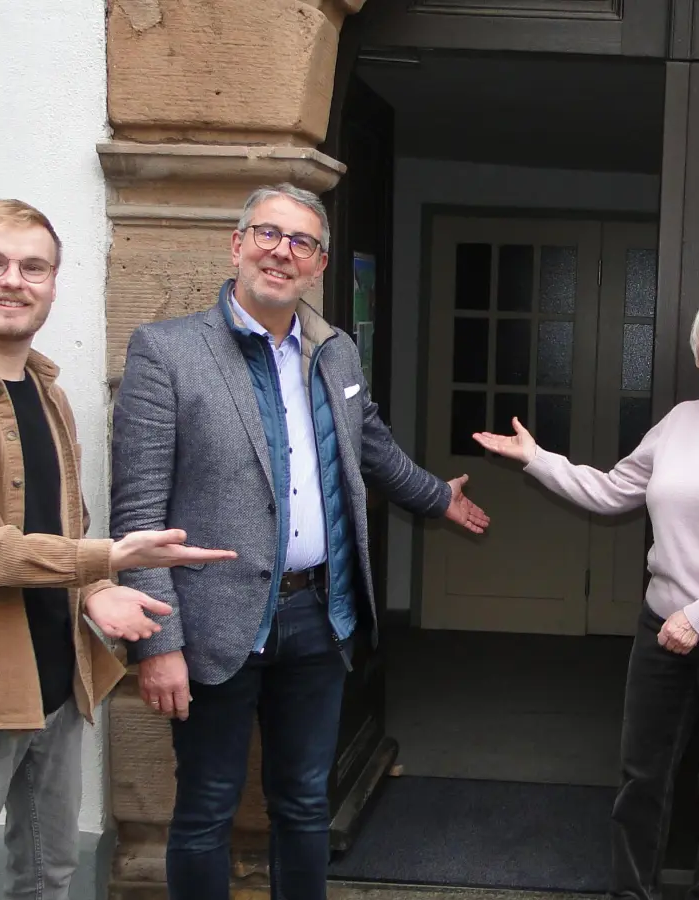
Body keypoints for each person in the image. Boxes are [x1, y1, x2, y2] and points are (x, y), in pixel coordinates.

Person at [111, 183, 490, 900]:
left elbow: (368, 444)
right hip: (213, 624)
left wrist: (438, 498)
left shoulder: (335, 351)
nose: (282, 253)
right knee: (204, 813)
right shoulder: (167, 352)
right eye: (268, 234)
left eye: (302, 243)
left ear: (318, 265)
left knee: (305, 805)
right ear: (237, 244)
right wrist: (157, 644)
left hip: (319, 615)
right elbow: (137, 512)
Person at [0, 198, 234, 900]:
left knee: (47, 877)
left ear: (54, 283)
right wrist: (108, 560)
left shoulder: (48, 391)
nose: (13, 280)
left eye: (34, 267)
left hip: (58, 686)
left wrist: (97, 592)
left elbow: (62, 524)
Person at [473, 288, 699, 900]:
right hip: (663, 626)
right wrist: (538, 459)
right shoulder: (680, 421)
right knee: (642, 777)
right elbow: (612, 491)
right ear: (697, 351)